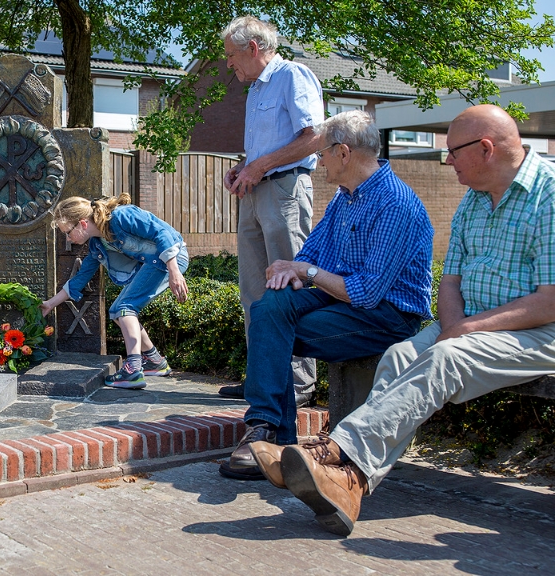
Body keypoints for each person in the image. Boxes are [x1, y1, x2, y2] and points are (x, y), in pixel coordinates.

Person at [249, 104, 555, 536]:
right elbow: (450, 282)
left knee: (445, 358)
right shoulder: (473, 200)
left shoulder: (549, 197)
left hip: (535, 331)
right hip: (463, 324)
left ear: (486, 149)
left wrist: (461, 332)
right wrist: (453, 327)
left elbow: (550, 303)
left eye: (452, 151)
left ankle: (332, 454)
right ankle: (343, 481)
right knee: (389, 357)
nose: (445, 160)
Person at [219, 110, 434, 481]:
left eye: (323, 153)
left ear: (344, 153)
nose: (317, 162)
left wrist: (307, 272)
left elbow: (365, 292)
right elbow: (310, 255)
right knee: (269, 305)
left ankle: (271, 436)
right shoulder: (345, 198)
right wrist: (289, 269)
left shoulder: (396, 204)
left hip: (387, 316)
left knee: (273, 331)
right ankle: (268, 429)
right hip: (340, 299)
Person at [218, 16, 324, 408]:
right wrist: (246, 164)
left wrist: (259, 167)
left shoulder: (293, 76)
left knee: (290, 286)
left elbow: (313, 137)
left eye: (232, 55)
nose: (230, 64)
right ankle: (262, 381)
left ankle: (297, 387)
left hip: (284, 190)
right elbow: (269, 145)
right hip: (255, 192)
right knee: (255, 292)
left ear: (254, 48)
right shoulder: (255, 90)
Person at [41, 193, 189, 389]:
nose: (68, 238)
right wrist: (49, 304)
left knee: (125, 308)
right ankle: (155, 361)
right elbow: (79, 279)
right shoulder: (97, 244)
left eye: (68, 232)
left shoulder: (121, 216)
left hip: (171, 259)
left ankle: (133, 370)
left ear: (82, 224)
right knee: (118, 312)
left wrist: (174, 271)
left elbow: (161, 233)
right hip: (156, 264)